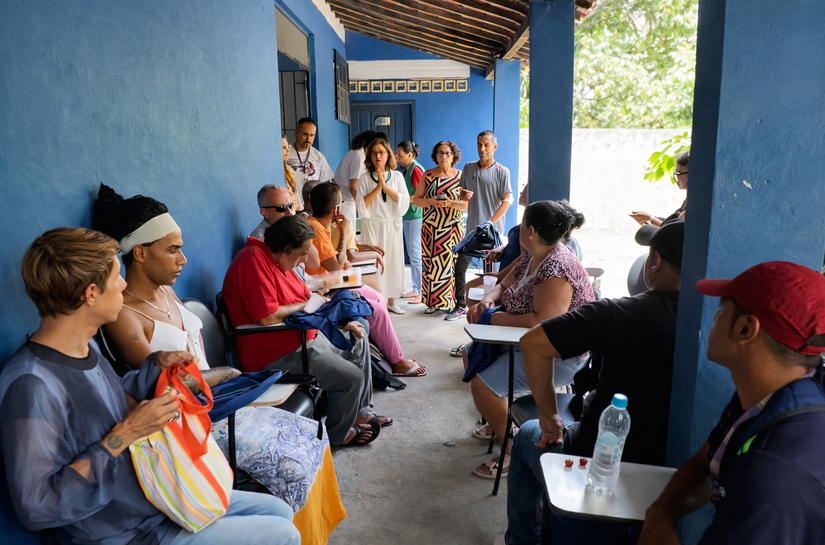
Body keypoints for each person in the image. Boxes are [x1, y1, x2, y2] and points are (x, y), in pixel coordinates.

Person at [0, 227, 300, 545]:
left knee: (279, 510)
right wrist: (126, 433)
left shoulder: (85, 348)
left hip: (155, 497)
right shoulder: (31, 384)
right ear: (91, 294)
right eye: (116, 277)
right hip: (122, 532)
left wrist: (157, 368)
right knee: (284, 535)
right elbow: (36, 507)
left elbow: (108, 399)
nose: (124, 284)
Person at [93, 185, 336, 513]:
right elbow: (163, 383)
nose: (183, 260)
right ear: (140, 253)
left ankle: (292, 526)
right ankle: (278, 525)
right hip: (193, 421)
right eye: (172, 251)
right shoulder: (125, 316)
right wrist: (228, 374)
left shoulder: (167, 294)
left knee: (312, 433)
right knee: (293, 461)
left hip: (219, 400)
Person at [498, 220, 684, 545]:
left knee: (527, 434)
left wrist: (549, 416)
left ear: (654, 262)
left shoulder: (619, 313)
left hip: (599, 459)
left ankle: (522, 541)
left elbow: (533, 343)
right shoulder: (718, 322)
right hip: (680, 472)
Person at [639, 261, 825, 545]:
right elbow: (707, 461)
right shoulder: (767, 392)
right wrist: (660, 514)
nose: (715, 317)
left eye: (722, 308)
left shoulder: (774, 474)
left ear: (745, 328)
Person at [222, 214, 388, 446]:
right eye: (301, 254)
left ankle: (358, 413)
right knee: (351, 379)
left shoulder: (280, 262)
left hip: (302, 337)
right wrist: (305, 305)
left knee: (356, 338)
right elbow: (268, 316)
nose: (303, 260)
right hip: (278, 351)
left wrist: (338, 322)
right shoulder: (252, 261)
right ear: (286, 248)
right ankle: (338, 436)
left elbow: (307, 298)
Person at [464, 200, 595, 479]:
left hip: (558, 355)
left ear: (531, 231)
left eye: (522, 224)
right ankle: (498, 423)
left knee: (482, 387)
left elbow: (543, 322)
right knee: (470, 352)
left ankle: (511, 448)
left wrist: (494, 319)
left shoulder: (557, 268)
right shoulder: (533, 255)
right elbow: (503, 284)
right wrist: (488, 301)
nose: (520, 229)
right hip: (525, 340)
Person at [304, 182, 426, 377]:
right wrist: (344, 232)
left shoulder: (319, 224)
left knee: (377, 297)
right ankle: (397, 361)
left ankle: (389, 354)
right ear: (335, 210)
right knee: (375, 308)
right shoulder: (316, 228)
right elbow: (336, 266)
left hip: (333, 282)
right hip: (323, 288)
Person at [450, 130, 513, 321]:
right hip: (471, 232)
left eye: (486, 145)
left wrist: (490, 223)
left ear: (494, 147)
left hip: (491, 234)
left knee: (489, 275)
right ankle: (460, 306)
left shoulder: (502, 171)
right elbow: (462, 192)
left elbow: (507, 201)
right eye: (479, 144)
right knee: (460, 267)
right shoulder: (468, 167)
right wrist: (463, 194)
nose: (482, 148)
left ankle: (486, 310)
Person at [413, 141, 469, 315]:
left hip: (452, 229)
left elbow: (465, 204)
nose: (443, 156)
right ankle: (433, 302)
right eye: (440, 152)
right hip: (431, 228)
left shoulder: (460, 176)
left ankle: (452, 302)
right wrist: (430, 201)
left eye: (447, 153)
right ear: (435, 155)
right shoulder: (427, 175)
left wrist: (450, 203)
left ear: (453, 156)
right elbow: (416, 200)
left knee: (451, 265)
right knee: (431, 265)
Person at [356, 137, 410, 314]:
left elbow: (404, 201)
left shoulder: (397, 176)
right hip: (372, 226)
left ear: (388, 155)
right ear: (369, 156)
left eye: (381, 152)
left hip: (392, 226)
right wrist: (378, 188)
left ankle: (391, 301)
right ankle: (375, 301)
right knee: (373, 264)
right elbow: (361, 204)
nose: (378, 156)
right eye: (374, 153)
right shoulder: (364, 178)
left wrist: (385, 187)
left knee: (392, 262)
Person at [251, 184, 321, 272]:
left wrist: (300, 231)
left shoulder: (290, 230)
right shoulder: (260, 241)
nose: (289, 212)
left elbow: (314, 263)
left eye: (290, 206)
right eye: (282, 208)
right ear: (265, 213)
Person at [396, 140, 425, 304]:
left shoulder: (416, 170)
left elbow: (422, 195)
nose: (397, 158)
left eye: (400, 155)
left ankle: (420, 290)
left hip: (415, 216)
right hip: (409, 215)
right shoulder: (408, 170)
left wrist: (403, 199)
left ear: (409, 154)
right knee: (412, 253)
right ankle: (416, 288)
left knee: (415, 253)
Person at [631, 149, 689, 226]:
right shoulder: (688, 199)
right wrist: (650, 219)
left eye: (678, 173)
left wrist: (650, 219)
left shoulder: (694, 204)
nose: (676, 177)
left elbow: (673, 228)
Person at [286, 117, 334, 206]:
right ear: (296, 133)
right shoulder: (285, 153)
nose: (308, 139)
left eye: (312, 135)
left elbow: (327, 185)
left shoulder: (318, 156)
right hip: (290, 206)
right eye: (305, 134)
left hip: (313, 207)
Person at [333, 130, 375, 227]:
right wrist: (361, 205)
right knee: (348, 231)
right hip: (346, 200)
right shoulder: (359, 157)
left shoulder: (355, 152)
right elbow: (353, 187)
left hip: (343, 199)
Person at [281, 135, 302, 210]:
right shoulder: (277, 171)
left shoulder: (289, 169)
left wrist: (301, 210)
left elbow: (295, 192)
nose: (287, 151)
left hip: (294, 211)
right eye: (284, 148)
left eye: (288, 147)